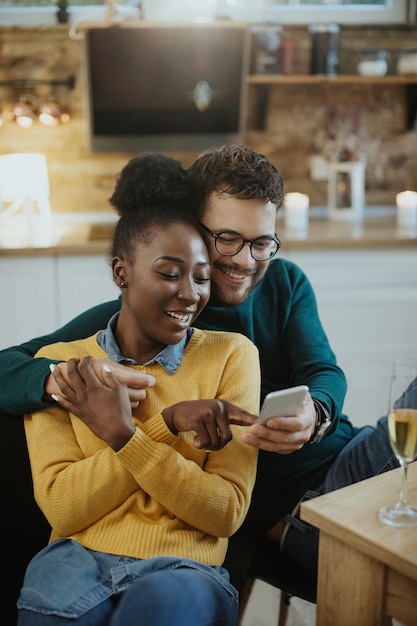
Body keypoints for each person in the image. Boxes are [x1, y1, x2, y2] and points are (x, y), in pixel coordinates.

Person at [0, 144, 399, 590]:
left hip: (359, 458)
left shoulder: (285, 282)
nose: (246, 261)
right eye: (227, 239)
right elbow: (8, 365)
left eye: (262, 243)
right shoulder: (155, 313)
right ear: (190, 225)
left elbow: (324, 371)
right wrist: (67, 380)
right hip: (305, 508)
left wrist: (316, 414)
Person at [16, 153, 260, 626]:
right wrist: (167, 424)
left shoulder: (232, 355)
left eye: (201, 277)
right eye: (169, 273)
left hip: (184, 570)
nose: (190, 294)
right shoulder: (61, 365)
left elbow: (226, 511)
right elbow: (64, 509)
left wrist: (128, 438)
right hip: (72, 565)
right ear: (121, 272)